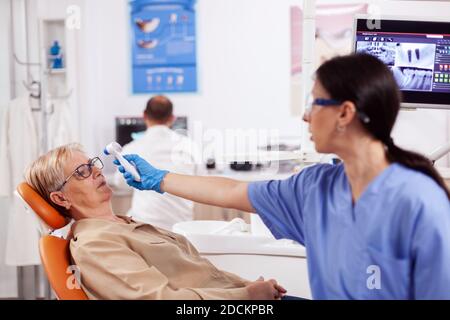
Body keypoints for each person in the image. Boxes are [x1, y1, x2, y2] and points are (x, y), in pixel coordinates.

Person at [115, 53, 450, 300]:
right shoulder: (315, 187)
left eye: (315, 102)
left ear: (345, 113)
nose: (306, 116)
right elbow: (231, 191)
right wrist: (159, 178)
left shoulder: (418, 201)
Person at [25, 143, 286, 300]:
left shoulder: (125, 225)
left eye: (92, 164)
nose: (96, 171)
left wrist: (248, 285)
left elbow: (204, 275)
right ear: (61, 197)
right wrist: (248, 296)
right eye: (81, 172)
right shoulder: (96, 244)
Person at [113, 95, 198, 230]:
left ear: (144, 115)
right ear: (172, 118)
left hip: (145, 226)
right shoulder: (189, 146)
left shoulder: (131, 149)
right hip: (181, 226)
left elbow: (120, 183)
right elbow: (200, 180)